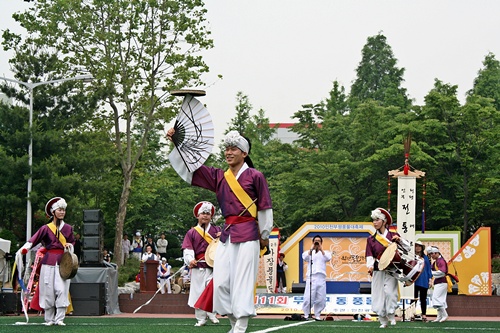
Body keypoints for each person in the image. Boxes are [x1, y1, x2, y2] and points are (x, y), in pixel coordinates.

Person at [167, 129, 273, 333]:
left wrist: (265, 234)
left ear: (244, 153)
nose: (229, 152)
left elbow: (265, 206)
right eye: (227, 149)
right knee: (221, 283)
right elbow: (194, 169)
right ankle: (234, 321)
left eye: (234, 149)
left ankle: (241, 326)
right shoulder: (219, 176)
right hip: (227, 234)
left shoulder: (255, 176)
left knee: (243, 281)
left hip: (249, 233)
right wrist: (177, 143)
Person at [17, 197, 75, 326]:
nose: (62, 212)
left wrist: (69, 246)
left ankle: (59, 319)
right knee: (48, 290)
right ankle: (49, 319)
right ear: (53, 212)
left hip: (63, 262)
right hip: (48, 261)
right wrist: (23, 249)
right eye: (60, 210)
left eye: (64, 210)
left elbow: (72, 243)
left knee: (62, 290)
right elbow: (33, 240)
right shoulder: (45, 228)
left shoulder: (68, 228)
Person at [365, 207, 410, 328]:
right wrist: (369, 266)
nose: (374, 222)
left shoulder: (393, 236)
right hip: (378, 269)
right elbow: (369, 254)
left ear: (384, 222)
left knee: (390, 293)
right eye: (373, 220)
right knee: (378, 295)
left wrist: (399, 240)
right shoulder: (371, 239)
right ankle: (383, 320)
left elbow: (407, 249)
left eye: (377, 220)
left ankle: (391, 314)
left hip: (392, 270)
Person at [182, 201, 221, 327]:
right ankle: (201, 319)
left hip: (214, 267)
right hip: (198, 267)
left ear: (211, 216)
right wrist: (190, 260)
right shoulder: (191, 233)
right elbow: (188, 249)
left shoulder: (217, 230)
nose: (205, 216)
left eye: (207, 214)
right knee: (198, 292)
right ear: (198, 216)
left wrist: (224, 237)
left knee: (213, 289)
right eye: (203, 213)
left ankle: (212, 314)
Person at [302, 235, 332, 320]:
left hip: (321, 277)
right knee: (309, 297)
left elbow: (328, 258)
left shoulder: (325, 252)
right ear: (313, 242)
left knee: (321, 298)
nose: (317, 242)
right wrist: (312, 248)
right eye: (316, 241)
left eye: (319, 241)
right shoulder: (309, 252)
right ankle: (306, 314)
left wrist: (321, 248)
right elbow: (305, 257)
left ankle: (317, 314)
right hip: (311, 277)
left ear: (321, 242)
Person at [428, 246, 449, 322]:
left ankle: (445, 315)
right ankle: (439, 316)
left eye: (432, 254)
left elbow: (442, 272)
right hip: (439, 282)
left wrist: (431, 273)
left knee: (436, 298)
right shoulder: (436, 262)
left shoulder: (441, 261)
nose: (431, 256)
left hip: (442, 282)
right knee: (440, 299)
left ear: (436, 253)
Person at [413, 240, 432, 322]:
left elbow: (428, 269)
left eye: (419, 246)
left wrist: (430, 279)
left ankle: (423, 314)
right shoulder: (412, 256)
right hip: (414, 280)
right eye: (416, 246)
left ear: (422, 248)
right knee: (413, 298)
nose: (417, 248)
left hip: (423, 279)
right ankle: (411, 314)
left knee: (423, 298)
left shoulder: (425, 258)